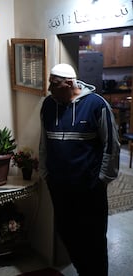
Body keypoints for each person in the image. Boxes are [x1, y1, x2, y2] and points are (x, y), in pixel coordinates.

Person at [39, 63, 120, 276]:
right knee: (67, 233)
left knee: (93, 240)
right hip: (59, 187)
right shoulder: (48, 105)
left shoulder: (97, 105)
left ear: (69, 84)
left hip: (89, 189)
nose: (49, 88)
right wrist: (45, 173)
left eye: (54, 84)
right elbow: (43, 142)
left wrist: (102, 179)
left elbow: (111, 145)